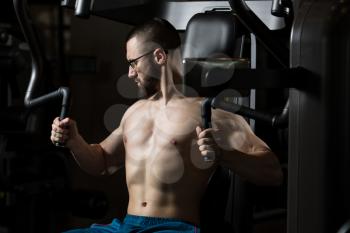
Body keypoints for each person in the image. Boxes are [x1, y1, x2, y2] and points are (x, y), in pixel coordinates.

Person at [51, 17, 283, 233]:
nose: (130, 73)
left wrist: (223, 154)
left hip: (173, 228)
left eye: (133, 62)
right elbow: (101, 161)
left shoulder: (210, 113)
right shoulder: (134, 112)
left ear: (159, 56)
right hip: (126, 226)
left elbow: (273, 173)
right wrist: (75, 141)